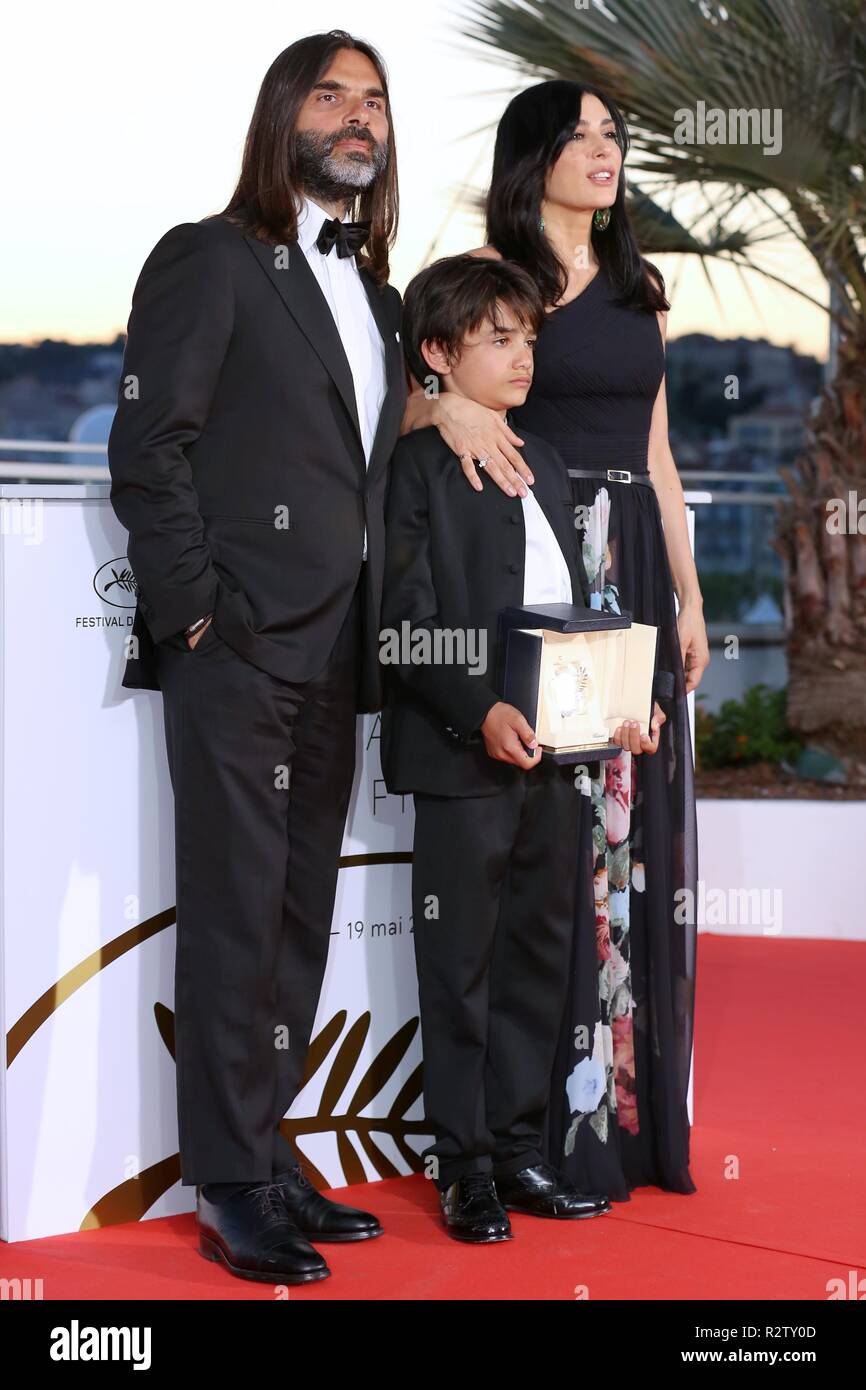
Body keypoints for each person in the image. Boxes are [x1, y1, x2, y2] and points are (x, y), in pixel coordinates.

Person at [108, 31, 407, 1285]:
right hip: (236, 647)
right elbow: (150, 446)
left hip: (344, 650)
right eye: (331, 95)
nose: (357, 118)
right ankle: (226, 1182)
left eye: (375, 101)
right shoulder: (209, 257)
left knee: (298, 916)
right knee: (235, 915)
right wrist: (195, 617)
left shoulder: (382, 292)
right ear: (283, 113)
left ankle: (267, 1146)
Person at [400, 81, 708, 1202]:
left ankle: (603, 1121)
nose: (603, 149)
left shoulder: (638, 290)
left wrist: (685, 593)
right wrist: (447, 406)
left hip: (631, 566)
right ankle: (516, 1137)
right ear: (528, 156)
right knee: (550, 856)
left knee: (622, 845)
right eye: (578, 133)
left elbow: (661, 455)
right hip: (535, 573)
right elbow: (414, 409)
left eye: (614, 133)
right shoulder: (495, 283)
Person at [381, 252, 664, 1241]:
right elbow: (399, 622)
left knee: (538, 958)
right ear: (433, 354)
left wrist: (625, 698)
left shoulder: (542, 458)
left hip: (564, 750)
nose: (521, 356)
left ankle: (517, 1152)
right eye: (496, 338)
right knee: (457, 966)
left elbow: (573, 611)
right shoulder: (411, 463)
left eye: (528, 337)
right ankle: (462, 1170)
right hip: (463, 755)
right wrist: (478, 708)